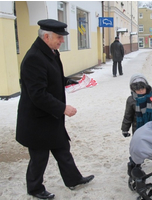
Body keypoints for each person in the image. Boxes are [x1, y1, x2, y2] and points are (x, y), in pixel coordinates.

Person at [16, 19, 94, 199]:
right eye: (59, 37)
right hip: (37, 119)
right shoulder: (34, 58)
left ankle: (73, 180)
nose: (62, 41)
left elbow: (53, 77)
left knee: (62, 148)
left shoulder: (50, 52)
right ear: (46, 36)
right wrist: (63, 108)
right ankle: (35, 189)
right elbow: (37, 94)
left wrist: (70, 82)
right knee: (39, 156)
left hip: (50, 117)